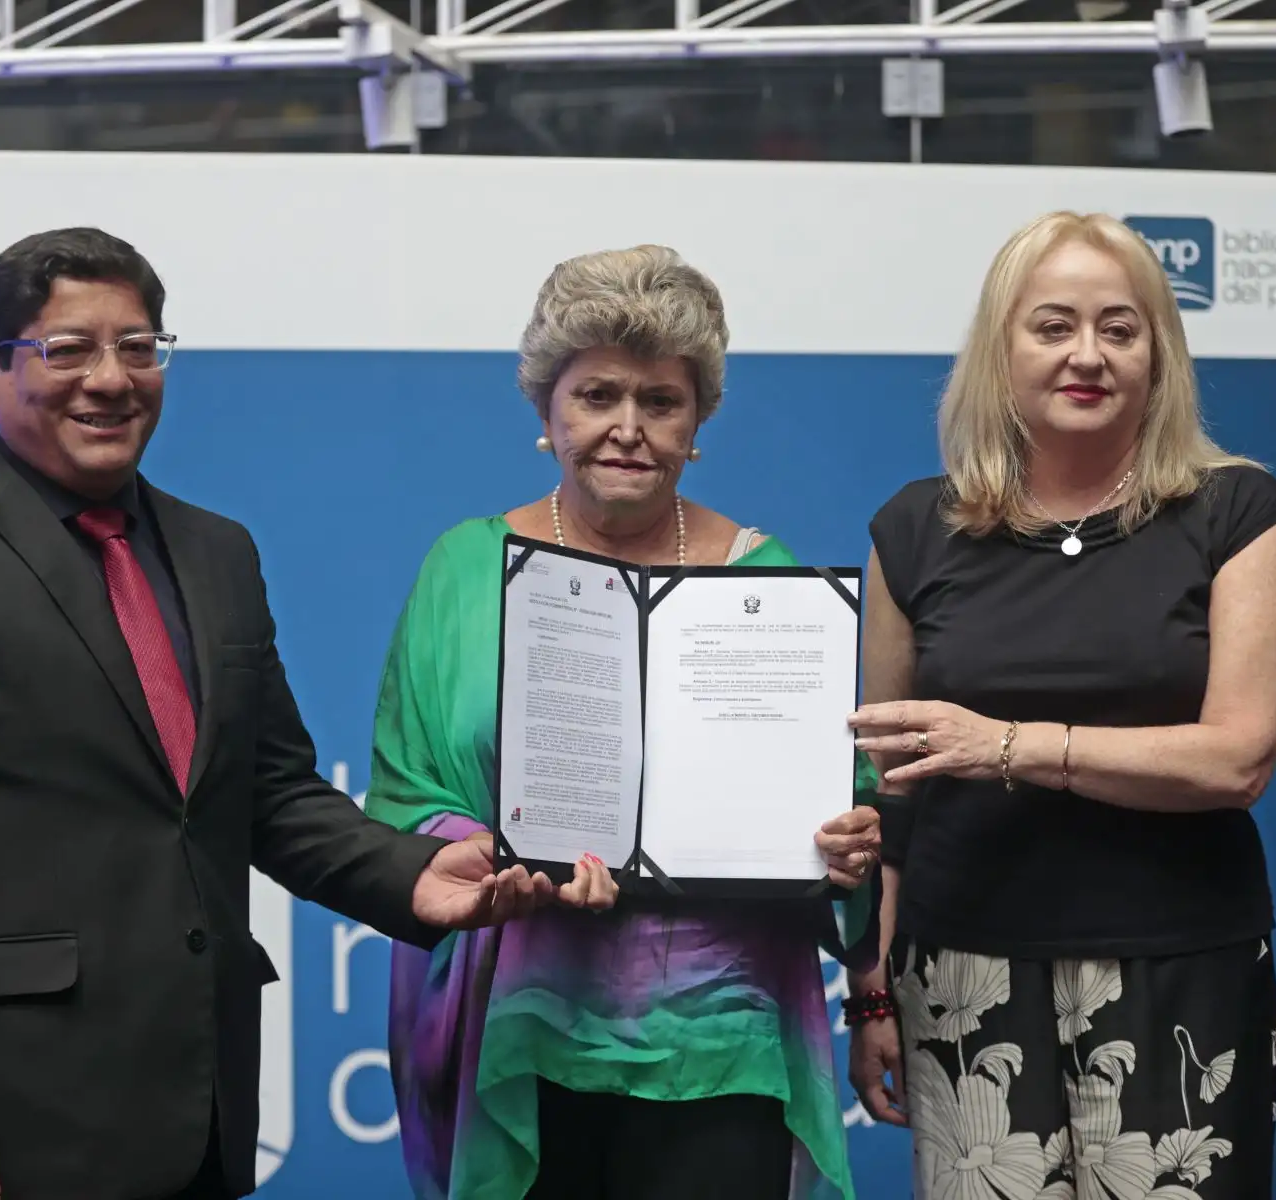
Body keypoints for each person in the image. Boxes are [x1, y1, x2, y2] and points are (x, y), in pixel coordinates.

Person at [0, 227, 609, 1200]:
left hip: (200, 1117)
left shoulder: (215, 551)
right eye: (68, 349)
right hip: (0, 1123)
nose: (111, 378)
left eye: (140, 347)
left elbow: (269, 791)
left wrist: (416, 876)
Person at [362, 244, 886, 1200]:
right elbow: (407, 795)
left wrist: (845, 839)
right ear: (545, 409)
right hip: (517, 1025)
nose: (628, 430)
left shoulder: (769, 579)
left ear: (700, 421)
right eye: (598, 395)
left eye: (661, 402)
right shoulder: (463, 570)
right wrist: (505, 858)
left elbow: (839, 804)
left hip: (723, 1038)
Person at [844, 211, 1276, 1199]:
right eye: (1052, 327)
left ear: (1159, 354)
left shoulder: (1239, 514)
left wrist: (1007, 744)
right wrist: (870, 991)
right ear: (1001, 350)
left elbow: (1239, 760)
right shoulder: (913, 530)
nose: (1086, 356)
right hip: (961, 974)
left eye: (1119, 329)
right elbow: (891, 797)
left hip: (1174, 970)